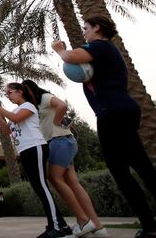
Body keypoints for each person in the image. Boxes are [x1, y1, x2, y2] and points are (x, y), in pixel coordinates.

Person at [52, 15, 156, 238]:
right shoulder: (106, 52)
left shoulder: (101, 46)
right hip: (121, 110)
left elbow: (72, 57)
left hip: (113, 113)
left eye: (87, 28)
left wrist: (61, 50)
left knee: (125, 174)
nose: (85, 32)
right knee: (141, 170)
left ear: (97, 28)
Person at [22, 79, 107, 238]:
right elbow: (67, 120)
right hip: (63, 141)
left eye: (25, 91)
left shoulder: (45, 98)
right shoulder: (35, 107)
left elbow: (63, 105)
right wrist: (62, 123)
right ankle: (97, 226)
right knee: (72, 182)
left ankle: (83, 221)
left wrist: (56, 122)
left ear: (30, 89)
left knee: (55, 178)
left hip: (59, 142)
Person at [0, 84, 70, 238]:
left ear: (20, 92)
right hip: (25, 150)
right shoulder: (14, 110)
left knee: (41, 186)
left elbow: (16, 118)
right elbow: (7, 131)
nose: (8, 95)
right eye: (6, 93)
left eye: (10, 92)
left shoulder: (29, 106)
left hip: (36, 147)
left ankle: (55, 226)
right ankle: (62, 224)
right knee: (39, 187)